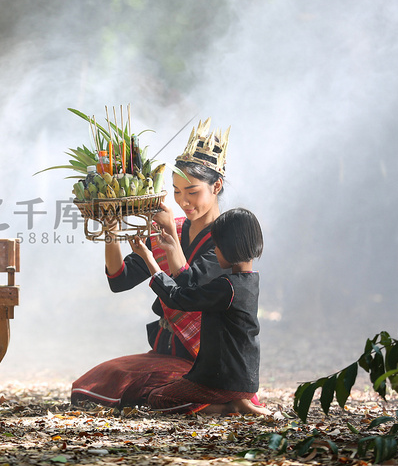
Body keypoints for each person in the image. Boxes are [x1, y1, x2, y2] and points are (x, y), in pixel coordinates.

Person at [71, 118, 261, 413]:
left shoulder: (226, 241)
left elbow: (188, 288)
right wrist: (111, 234)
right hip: (164, 350)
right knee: (94, 384)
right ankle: (217, 403)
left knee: (154, 394)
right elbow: (119, 280)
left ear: (217, 186)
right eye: (176, 191)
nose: (183, 201)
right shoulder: (175, 227)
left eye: (193, 192)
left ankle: (224, 405)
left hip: (203, 356)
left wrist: (170, 235)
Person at [127, 207, 267, 415]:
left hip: (219, 380)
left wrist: (149, 258)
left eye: (217, 246)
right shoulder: (249, 282)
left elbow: (178, 298)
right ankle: (239, 401)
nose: (216, 251)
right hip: (246, 381)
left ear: (230, 247)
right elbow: (190, 288)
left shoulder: (226, 287)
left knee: (158, 398)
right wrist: (172, 247)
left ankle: (226, 407)